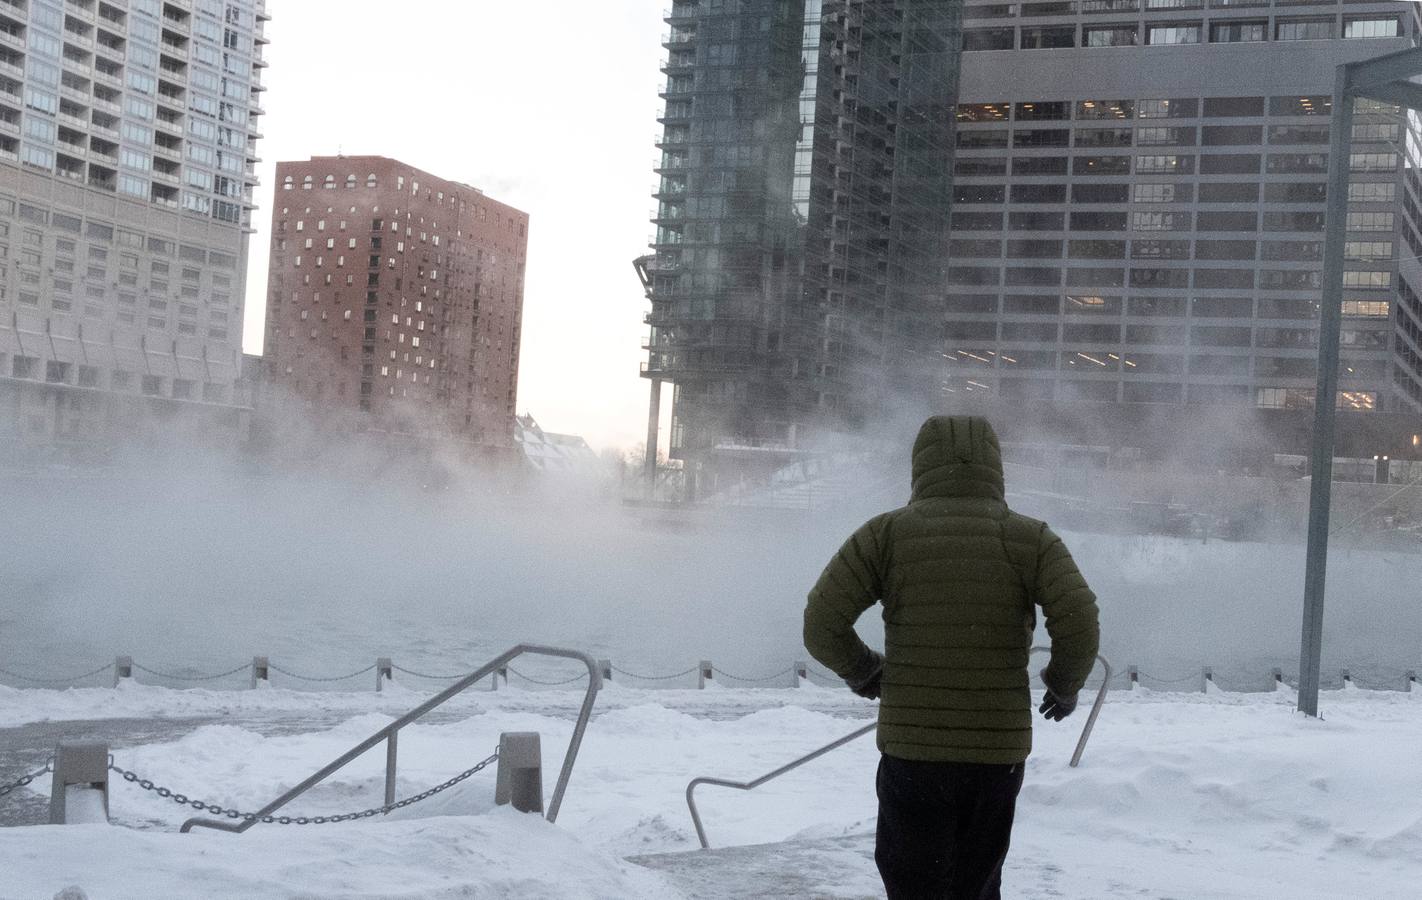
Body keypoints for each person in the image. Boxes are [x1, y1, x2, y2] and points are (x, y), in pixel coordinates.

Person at [803, 415, 1100, 900]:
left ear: (920, 465)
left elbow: (821, 623)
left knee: (914, 885)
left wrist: (865, 671)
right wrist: (1063, 685)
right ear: (995, 466)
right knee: (976, 885)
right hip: (996, 755)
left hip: (913, 753)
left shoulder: (885, 535)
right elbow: (1080, 619)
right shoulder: (1032, 539)